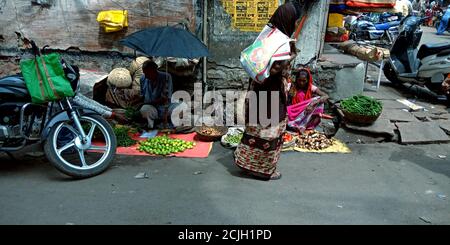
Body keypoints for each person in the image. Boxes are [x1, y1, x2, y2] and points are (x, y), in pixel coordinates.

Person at [234, 1, 305, 181]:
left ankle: (246, 163)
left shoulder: (267, 35)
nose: (296, 25)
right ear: (288, 20)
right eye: (295, 21)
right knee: (270, 132)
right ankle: (263, 170)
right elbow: (275, 69)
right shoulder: (282, 43)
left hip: (257, 90)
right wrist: (288, 59)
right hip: (271, 93)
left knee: (254, 129)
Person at [139, 60, 186, 129]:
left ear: (154, 70)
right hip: (152, 107)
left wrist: (147, 102)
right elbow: (142, 95)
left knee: (183, 106)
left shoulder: (166, 77)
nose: (146, 76)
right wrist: (139, 101)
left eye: (148, 73)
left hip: (166, 106)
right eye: (144, 73)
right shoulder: (143, 78)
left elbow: (165, 98)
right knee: (144, 109)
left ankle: (172, 124)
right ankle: (151, 126)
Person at [286, 68, 329, 133]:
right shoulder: (291, 86)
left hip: (305, 111)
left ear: (308, 80)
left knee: (319, 101)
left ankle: (304, 126)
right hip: (292, 112)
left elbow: (326, 96)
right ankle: (294, 125)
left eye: (304, 81)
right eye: (299, 80)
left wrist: (312, 104)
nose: (301, 83)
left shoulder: (310, 87)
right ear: (296, 79)